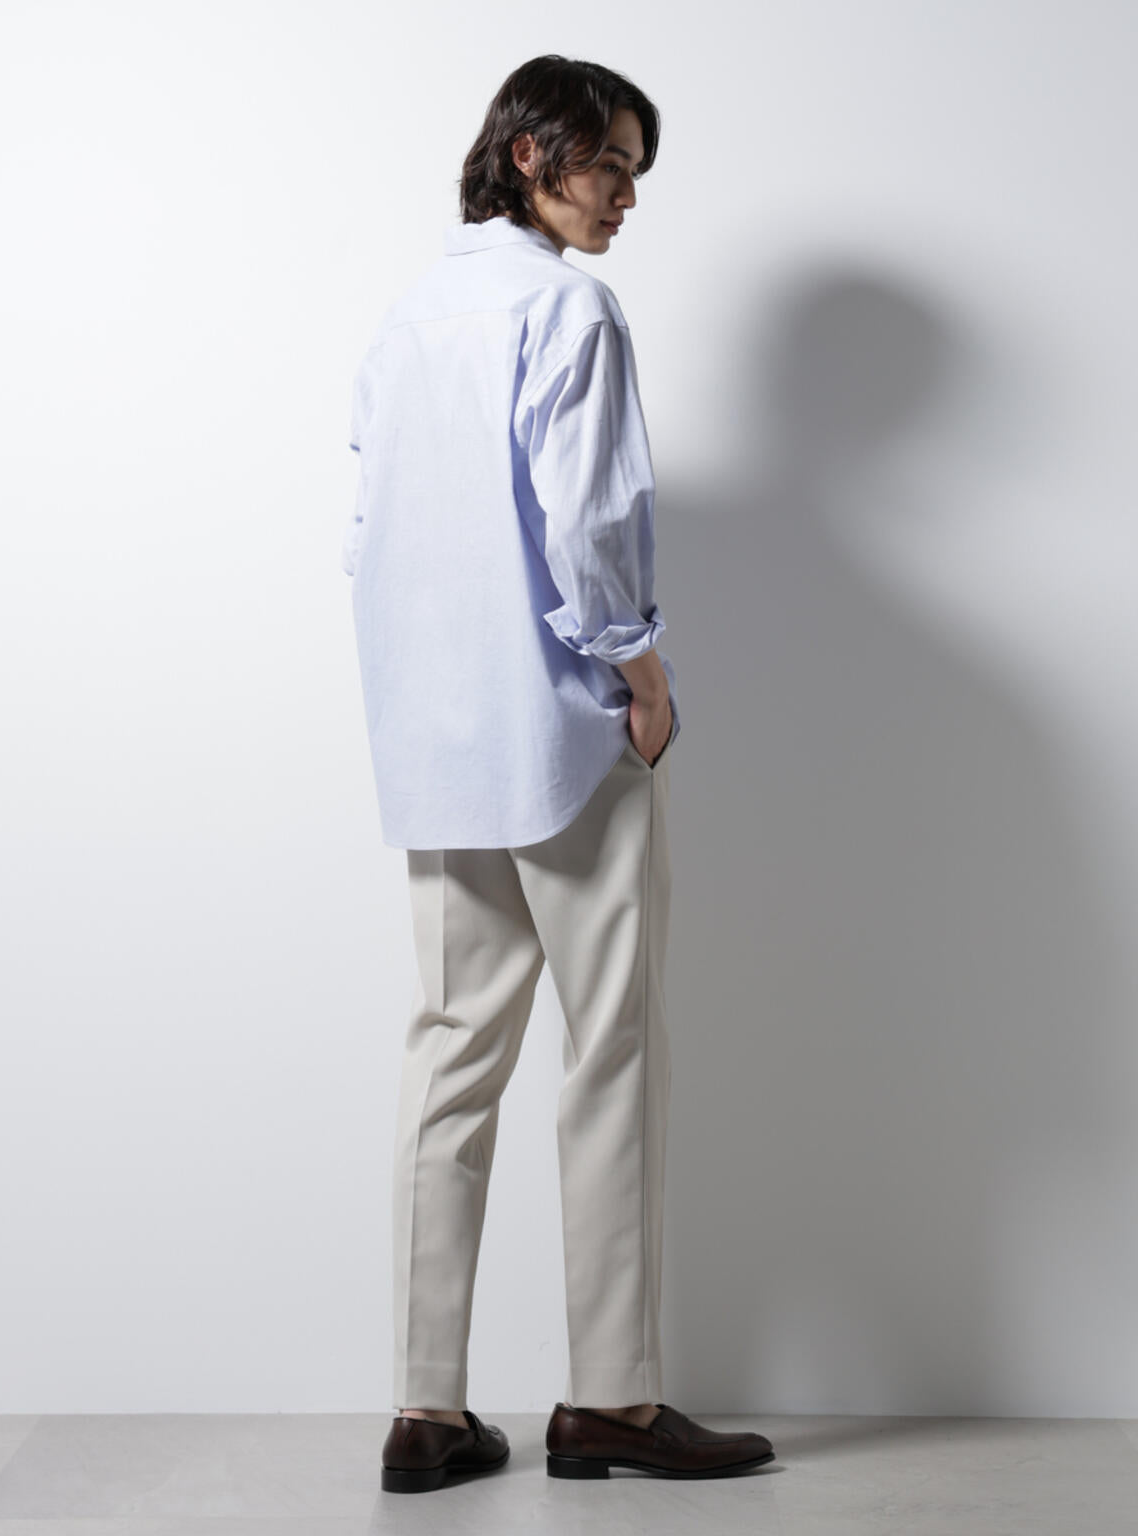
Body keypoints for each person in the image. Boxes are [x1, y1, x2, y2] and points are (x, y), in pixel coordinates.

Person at [342, 54, 775, 1494]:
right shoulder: (568, 309)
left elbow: (368, 541)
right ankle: (612, 1403)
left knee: (448, 1058)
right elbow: (589, 525)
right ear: (530, 153)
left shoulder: (409, 319)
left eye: (638, 171)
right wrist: (642, 678)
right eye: (610, 164)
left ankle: (424, 1414)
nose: (628, 196)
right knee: (611, 1055)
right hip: (565, 741)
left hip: (439, 749)